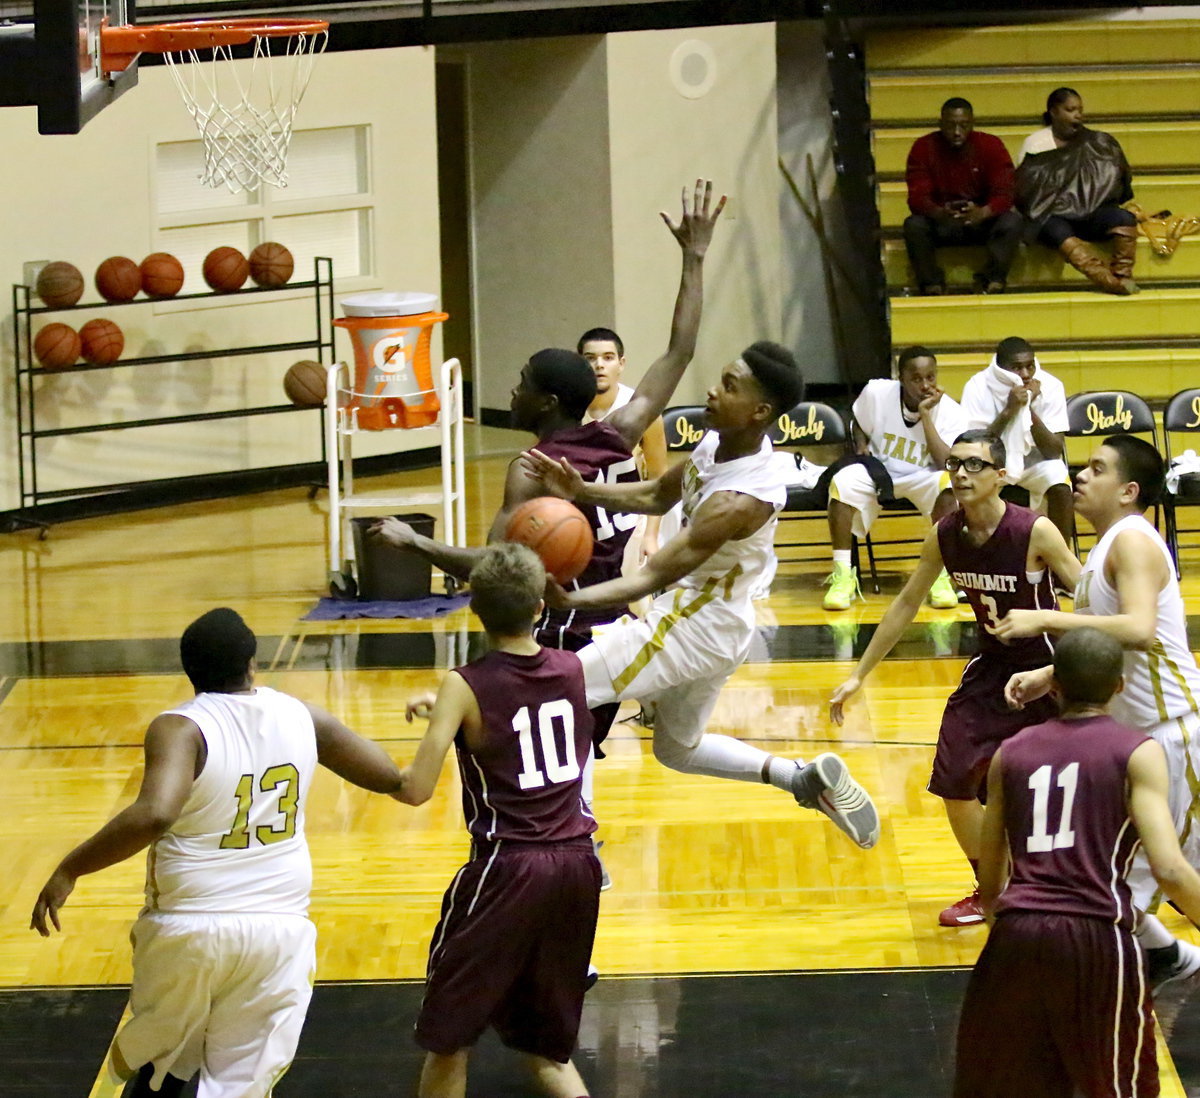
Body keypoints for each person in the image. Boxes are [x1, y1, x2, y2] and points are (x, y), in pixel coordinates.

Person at [374, 181, 724, 880]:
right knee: (598, 757)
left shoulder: (532, 471)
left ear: (546, 399)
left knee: (549, 769)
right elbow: (680, 351)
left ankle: (568, 880)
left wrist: (415, 543)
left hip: (563, 629)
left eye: (523, 382)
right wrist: (694, 257)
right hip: (622, 615)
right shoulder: (617, 429)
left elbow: (495, 566)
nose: (513, 390)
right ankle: (578, 874)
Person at [30, 607, 407, 1098]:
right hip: (280, 931)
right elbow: (390, 778)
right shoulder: (303, 716)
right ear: (253, 662)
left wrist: (69, 867)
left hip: (189, 929)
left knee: (161, 1065)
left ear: (189, 671)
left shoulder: (181, 727)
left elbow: (154, 813)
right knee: (239, 1086)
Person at [523, 341, 880, 849]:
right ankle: (799, 779)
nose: (712, 390)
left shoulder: (737, 501)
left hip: (692, 625)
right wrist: (580, 491)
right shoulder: (719, 444)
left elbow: (652, 576)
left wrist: (571, 600)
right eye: (721, 377)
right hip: (719, 622)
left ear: (759, 411)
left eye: (730, 386)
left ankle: (575, 842)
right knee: (678, 749)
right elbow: (655, 493)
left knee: (561, 688)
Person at [829, 430, 1080, 924]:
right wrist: (859, 674)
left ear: (1001, 476)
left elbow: (1092, 600)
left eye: (974, 465)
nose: (961, 473)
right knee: (955, 779)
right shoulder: (944, 532)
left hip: (1048, 666)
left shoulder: (1036, 531)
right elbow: (906, 603)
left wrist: (1058, 641)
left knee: (1058, 789)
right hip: (991, 666)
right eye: (954, 463)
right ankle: (992, 889)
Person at [953, 627, 1200, 1098]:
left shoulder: (1012, 751)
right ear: (1119, 687)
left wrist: (1004, 922)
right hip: (1096, 935)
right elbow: (1168, 868)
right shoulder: (1137, 751)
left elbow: (991, 875)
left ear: (1056, 685)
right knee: (1114, 1085)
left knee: (1005, 1082)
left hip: (1016, 933)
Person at [395, 542, 601, 1098]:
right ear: (540, 607)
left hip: (508, 869)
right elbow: (521, 705)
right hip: (579, 865)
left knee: (449, 1039)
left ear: (473, 607)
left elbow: (416, 790)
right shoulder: (573, 668)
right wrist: (447, 708)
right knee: (545, 1049)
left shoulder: (464, 685)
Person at [997, 435, 1200, 988]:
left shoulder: (1132, 541)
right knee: (1119, 872)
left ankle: (1161, 960)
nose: (1080, 477)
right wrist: (1051, 676)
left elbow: (1136, 629)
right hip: (1138, 741)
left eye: (1097, 468)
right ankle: (1169, 958)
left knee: (1167, 874)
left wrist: (1047, 622)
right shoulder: (1105, 546)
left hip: (1174, 733)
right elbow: (1116, 643)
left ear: (1129, 490)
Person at [823, 345, 967, 611]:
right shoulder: (876, 392)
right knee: (842, 482)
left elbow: (946, 463)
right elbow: (856, 420)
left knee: (949, 485)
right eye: (916, 378)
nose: (925, 385)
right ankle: (843, 575)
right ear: (900, 378)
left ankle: (941, 576)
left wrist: (925, 415)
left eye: (931, 377)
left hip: (923, 475)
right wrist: (861, 443)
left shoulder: (950, 411)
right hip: (879, 472)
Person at [1016, 87, 1139, 295]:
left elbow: (1118, 181)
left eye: (1079, 110)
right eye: (1070, 109)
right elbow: (1027, 192)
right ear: (1054, 112)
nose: (1078, 115)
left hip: (1090, 213)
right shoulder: (1036, 144)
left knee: (1124, 218)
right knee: (1054, 229)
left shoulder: (1097, 142)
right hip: (1054, 216)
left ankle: (1122, 275)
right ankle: (1105, 279)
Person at [959, 335, 1073, 545]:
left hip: (1034, 463)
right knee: (964, 482)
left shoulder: (1051, 385)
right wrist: (1009, 411)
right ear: (1001, 368)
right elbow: (974, 449)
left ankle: (1062, 557)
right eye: (1017, 368)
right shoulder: (976, 387)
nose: (1026, 374)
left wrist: (1027, 408)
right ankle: (974, 556)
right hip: (990, 466)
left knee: (1060, 480)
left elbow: (1053, 451)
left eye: (1030, 366)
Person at [903, 97, 1023, 295]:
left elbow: (1005, 192)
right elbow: (917, 196)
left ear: (972, 124)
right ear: (940, 124)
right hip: (942, 221)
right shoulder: (924, 148)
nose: (957, 132)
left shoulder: (991, 145)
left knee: (1012, 222)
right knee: (914, 225)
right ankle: (931, 284)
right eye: (951, 126)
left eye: (963, 125)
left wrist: (983, 212)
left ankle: (992, 280)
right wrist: (939, 212)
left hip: (980, 221)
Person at [577, 326, 669, 566]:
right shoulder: (566, 409)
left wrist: (650, 536)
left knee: (632, 598)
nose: (599, 365)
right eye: (590, 358)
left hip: (630, 516)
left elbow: (659, 477)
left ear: (621, 363)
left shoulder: (641, 410)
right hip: (580, 516)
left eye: (608, 358)